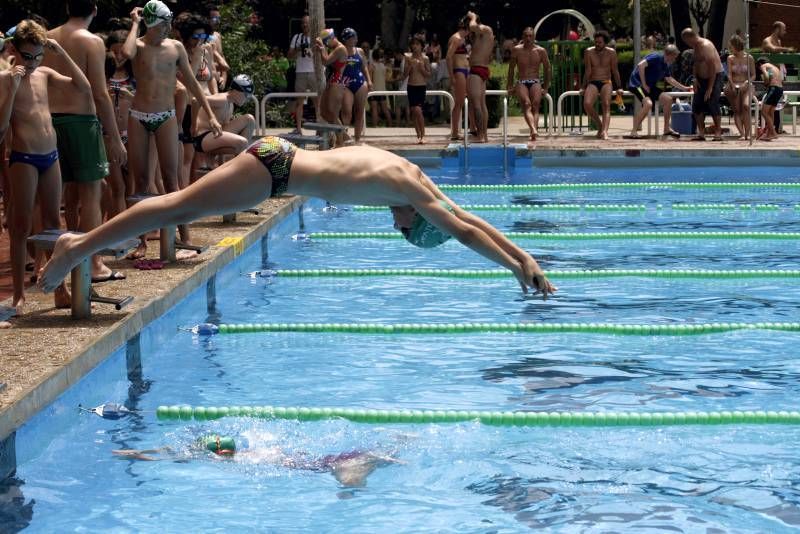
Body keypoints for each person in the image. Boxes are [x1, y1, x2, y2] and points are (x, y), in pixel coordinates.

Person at [39, 136, 557, 299]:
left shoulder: (411, 173)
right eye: (403, 230)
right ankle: (77, 246)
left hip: (278, 156)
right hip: (276, 171)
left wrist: (523, 255)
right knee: (178, 207)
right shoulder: (405, 189)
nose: (394, 226)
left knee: (182, 205)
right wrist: (511, 268)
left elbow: (466, 215)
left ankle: (82, 244)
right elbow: (462, 229)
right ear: (415, 221)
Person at [122, 1, 222, 259]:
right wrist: (135, 23)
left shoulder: (175, 47)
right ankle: (141, 241)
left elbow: (192, 82)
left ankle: (184, 236)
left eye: (169, 23)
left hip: (166, 116)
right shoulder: (140, 45)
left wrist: (210, 115)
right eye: (164, 24)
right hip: (139, 117)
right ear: (152, 24)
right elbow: (127, 52)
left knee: (172, 179)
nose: (168, 28)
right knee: (141, 181)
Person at [0, 21, 85, 314]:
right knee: (20, 226)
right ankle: (19, 294)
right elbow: (1, 130)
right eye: (28, 57)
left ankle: (58, 287)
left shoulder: (45, 73)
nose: (34, 63)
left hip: (51, 156)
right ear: (14, 50)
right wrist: (11, 88)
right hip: (23, 158)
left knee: (52, 224)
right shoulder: (5, 79)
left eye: (38, 56)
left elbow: (83, 87)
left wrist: (59, 50)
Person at [42, 0, 128, 283]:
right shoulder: (91, 41)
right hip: (81, 122)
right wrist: (114, 137)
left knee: (65, 195)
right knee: (92, 192)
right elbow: (100, 94)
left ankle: (65, 258)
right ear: (94, 9)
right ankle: (93, 261)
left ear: (67, 7)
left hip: (49, 122)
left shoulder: (47, 37)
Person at [112, 433, 401, 488]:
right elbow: (181, 452)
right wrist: (148, 451)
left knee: (347, 483)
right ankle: (381, 453)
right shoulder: (250, 448)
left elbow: (181, 456)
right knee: (351, 460)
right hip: (314, 460)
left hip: (316, 466)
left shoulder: (230, 461)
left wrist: (139, 455)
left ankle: (368, 463)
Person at [626, 44, 692, 139]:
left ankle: (666, 129)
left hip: (650, 86)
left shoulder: (665, 64)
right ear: (670, 54)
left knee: (668, 99)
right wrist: (644, 84)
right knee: (648, 104)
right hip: (637, 84)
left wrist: (684, 88)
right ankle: (633, 131)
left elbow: (669, 79)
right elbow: (641, 66)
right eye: (674, 57)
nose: (675, 59)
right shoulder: (656, 57)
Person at [191, 74, 255, 156]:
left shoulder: (230, 104)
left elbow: (223, 134)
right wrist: (193, 126)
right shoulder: (222, 100)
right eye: (246, 95)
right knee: (242, 142)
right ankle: (239, 165)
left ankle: (236, 163)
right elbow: (195, 100)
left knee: (249, 119)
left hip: (214, 135)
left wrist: (221, 163)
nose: (247, 99)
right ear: (237, 91)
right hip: (202, 138)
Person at [506, 27, 551, 142]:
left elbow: (547, 69)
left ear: (534, 37)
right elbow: (511, 69)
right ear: (522, 37)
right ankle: (533, 129)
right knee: (527, 104)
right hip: (521, 81)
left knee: (535, 106)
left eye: (530, 36)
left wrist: (545, 86)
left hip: (535, 81)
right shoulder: (516, 50)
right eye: (526, 36)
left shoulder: (541, 51)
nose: (528, 38)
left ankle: (533, 132)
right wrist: (509, 85)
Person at [681, 27, 723, 141]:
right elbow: (696, 63)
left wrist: (710, 88)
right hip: (700, 79)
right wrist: (695, 78)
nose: (686, 44)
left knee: (712, 102)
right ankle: (701, 133)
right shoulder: (695, 47)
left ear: (690, 38)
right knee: (696, 105)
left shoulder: (706, 46)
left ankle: (718, 132)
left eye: (686, 41)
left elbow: (713, 67)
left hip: (714, 77)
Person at [581, 30, 623, 140]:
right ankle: (600, 125)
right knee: (587, 103)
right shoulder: (588, 52)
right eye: (596, 42)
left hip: (606, 82)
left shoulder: (611, 52)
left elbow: (615, 71)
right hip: (593, 81)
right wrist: (583, 86)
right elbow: (588, 70)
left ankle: (604, 131)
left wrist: (619, 87)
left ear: (605, 42)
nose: (597, 44)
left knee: (606, 104)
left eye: (599, 42)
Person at [314, 29, 347, 146]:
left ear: (332, 38)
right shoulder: (335, 49)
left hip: (337, 82)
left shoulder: (340, 49)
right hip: (332, 81)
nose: (327, 45)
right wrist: (321, 50)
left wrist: (322, 49)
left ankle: (341, 141)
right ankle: (345, 136)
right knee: (324, 112)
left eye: (326, 42)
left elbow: (326, 61)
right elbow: (326, 60)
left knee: (332, 113)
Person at [339, 28, 372, 144]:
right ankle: (345, 136)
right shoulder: (340, 51)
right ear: (345, 40)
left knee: (359, 111)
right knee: (347, 110)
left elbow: (364, 67)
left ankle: (357, 139)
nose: (354, 40)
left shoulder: (360, 51)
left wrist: (369, 81)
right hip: (346, 83)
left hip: (360, 82)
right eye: (351, 38)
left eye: (355, 37)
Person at [288, 15, 319, 134]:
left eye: (307, 23)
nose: (305, 25)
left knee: (317, 102)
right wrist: (298, 49)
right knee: (299, 101)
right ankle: (299, 129)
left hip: (313, 72)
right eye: (303, 23)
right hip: (300, 72)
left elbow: (322, 55)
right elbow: (289, 55)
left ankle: (319, 129)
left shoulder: (316, 38)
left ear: (311, 25)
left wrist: (311, 52)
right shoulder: (297, 38)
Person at [465, 11, 494, 143]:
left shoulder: (486, 30)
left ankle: (481, 135)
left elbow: (472, 27)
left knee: (477, 105)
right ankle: (484, 135)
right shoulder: (480, 36)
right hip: (480, 69)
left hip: (477, 70)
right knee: (481, 105)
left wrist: (473, 16)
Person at [723, 35, 755, 140]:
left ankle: (748, 133)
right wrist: (732, 84)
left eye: (731, 47)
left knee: (746, 106)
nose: (730, 49)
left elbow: (753, 75)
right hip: (734, 84)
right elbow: (729, 74)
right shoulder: (730, 58)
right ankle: (742, 133)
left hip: (746, 85)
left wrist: (747, 81)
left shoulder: (749, 58)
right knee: (737, 110)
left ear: (736, 45)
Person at [445, 19, 470, 140]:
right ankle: (454, 132)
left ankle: (471, 128)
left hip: (464, 70)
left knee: (465, 101)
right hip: (459, 71)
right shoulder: (456, 38)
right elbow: (448, 57)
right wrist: (452, 76)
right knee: (459, 102)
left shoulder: (462, 39)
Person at [404, 36, 431, 144]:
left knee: (418, 110)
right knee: (414, 111)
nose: (415, 46)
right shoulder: (408, 58)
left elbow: (428, 74)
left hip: (421, 86)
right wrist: (409, 66)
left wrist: (421, 68)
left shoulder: (425, 59)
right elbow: (405, 75)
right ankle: (418, 135)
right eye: (413, 44)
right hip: (411, 86)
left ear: (422, 46)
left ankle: (423, 135)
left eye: (417, 44)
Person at [756, 57, 783, 141]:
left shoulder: (763, 66)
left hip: (773, 88)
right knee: (771, 112)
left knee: (764, 111)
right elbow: (777, 77)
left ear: (760, 64)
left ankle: (773, 133)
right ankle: (769, 134)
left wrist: (765, 82)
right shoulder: (774, 67)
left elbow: (767, 77)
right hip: (779, 89)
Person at [368, 49, 393, 127]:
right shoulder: (383, 66)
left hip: (374, 91)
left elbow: (370, 79)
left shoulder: (371, 66)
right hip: (382, 91)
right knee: (385, 109)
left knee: (374, 109)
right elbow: (385, 79)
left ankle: (375, 126)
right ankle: (390, 125)